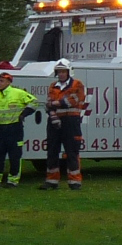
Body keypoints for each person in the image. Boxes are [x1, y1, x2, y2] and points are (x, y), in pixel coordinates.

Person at [43, 58, 87, 190]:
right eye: (59, 71)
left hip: (71, 122)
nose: (61, 74)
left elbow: (74, 100)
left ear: (69, 72)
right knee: (52, 151)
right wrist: (53, 113)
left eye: (63, 71)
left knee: (72, 151)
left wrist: (56, 103)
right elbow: (48, 103)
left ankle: (74, 182)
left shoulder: (77, 84)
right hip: (54, 122)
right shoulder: (52, 86)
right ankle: (51, 181)